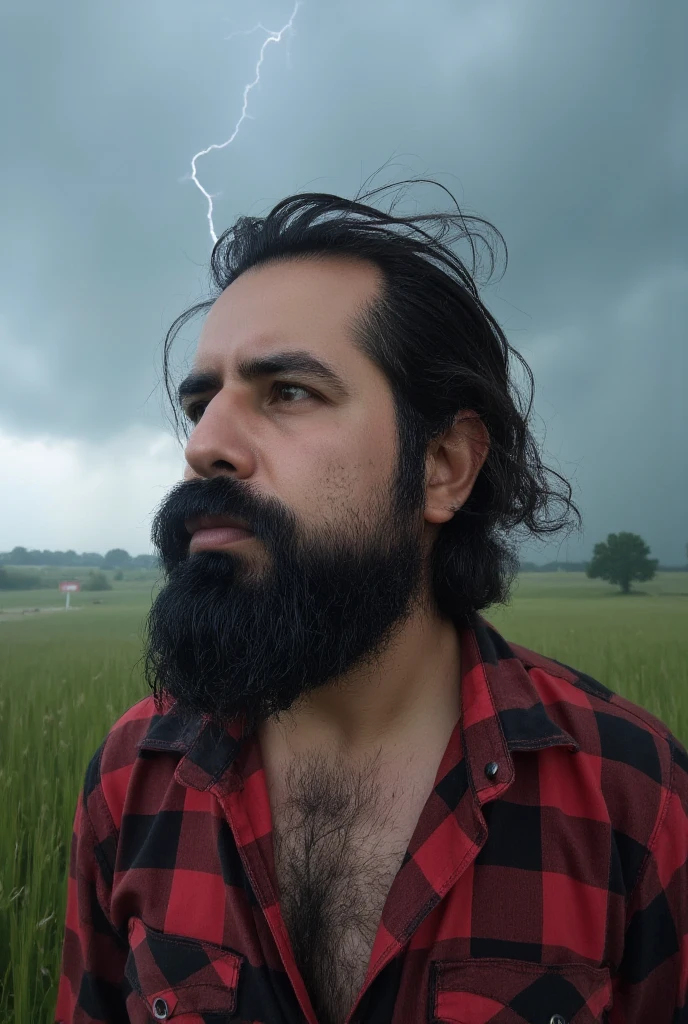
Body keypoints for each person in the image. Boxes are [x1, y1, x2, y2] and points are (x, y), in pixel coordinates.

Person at [55, 181, 687, 1024]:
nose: (204, 445)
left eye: (287, 392)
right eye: (201, 404)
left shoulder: (630, 796)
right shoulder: (133, 777)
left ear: (444, 468)